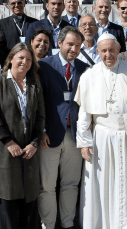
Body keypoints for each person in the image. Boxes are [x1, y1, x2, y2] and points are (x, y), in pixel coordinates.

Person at [75, 33, 127, 228]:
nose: (108, 55)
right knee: (103, 186)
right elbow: (84, 115)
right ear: (97, 52)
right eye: (103, 51)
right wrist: (84, 142)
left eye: (112, 50)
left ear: (119, 51)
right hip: (102, 139)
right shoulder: (89, 75)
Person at [0, 43, 45, 228]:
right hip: (5, 152)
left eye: (29, 59)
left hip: (29, 152)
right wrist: (9, 142)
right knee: (7, 206)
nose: (25, 62)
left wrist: (35, 143)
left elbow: (41, 117)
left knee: (30, 207)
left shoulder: (34, 84)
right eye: (21, 58)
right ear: (11, 58)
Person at [36, 27, 89, 229]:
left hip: (75, 135)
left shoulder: (85, 69)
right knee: (47, 186)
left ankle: (67, 223)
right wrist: (40, 130)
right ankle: (47, 225)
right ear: (59, 43)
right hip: (49, 134)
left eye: (78, 45)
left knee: (71, 184)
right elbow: (37, 101)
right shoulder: (43, 66)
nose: (74, 49)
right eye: (70, 44)